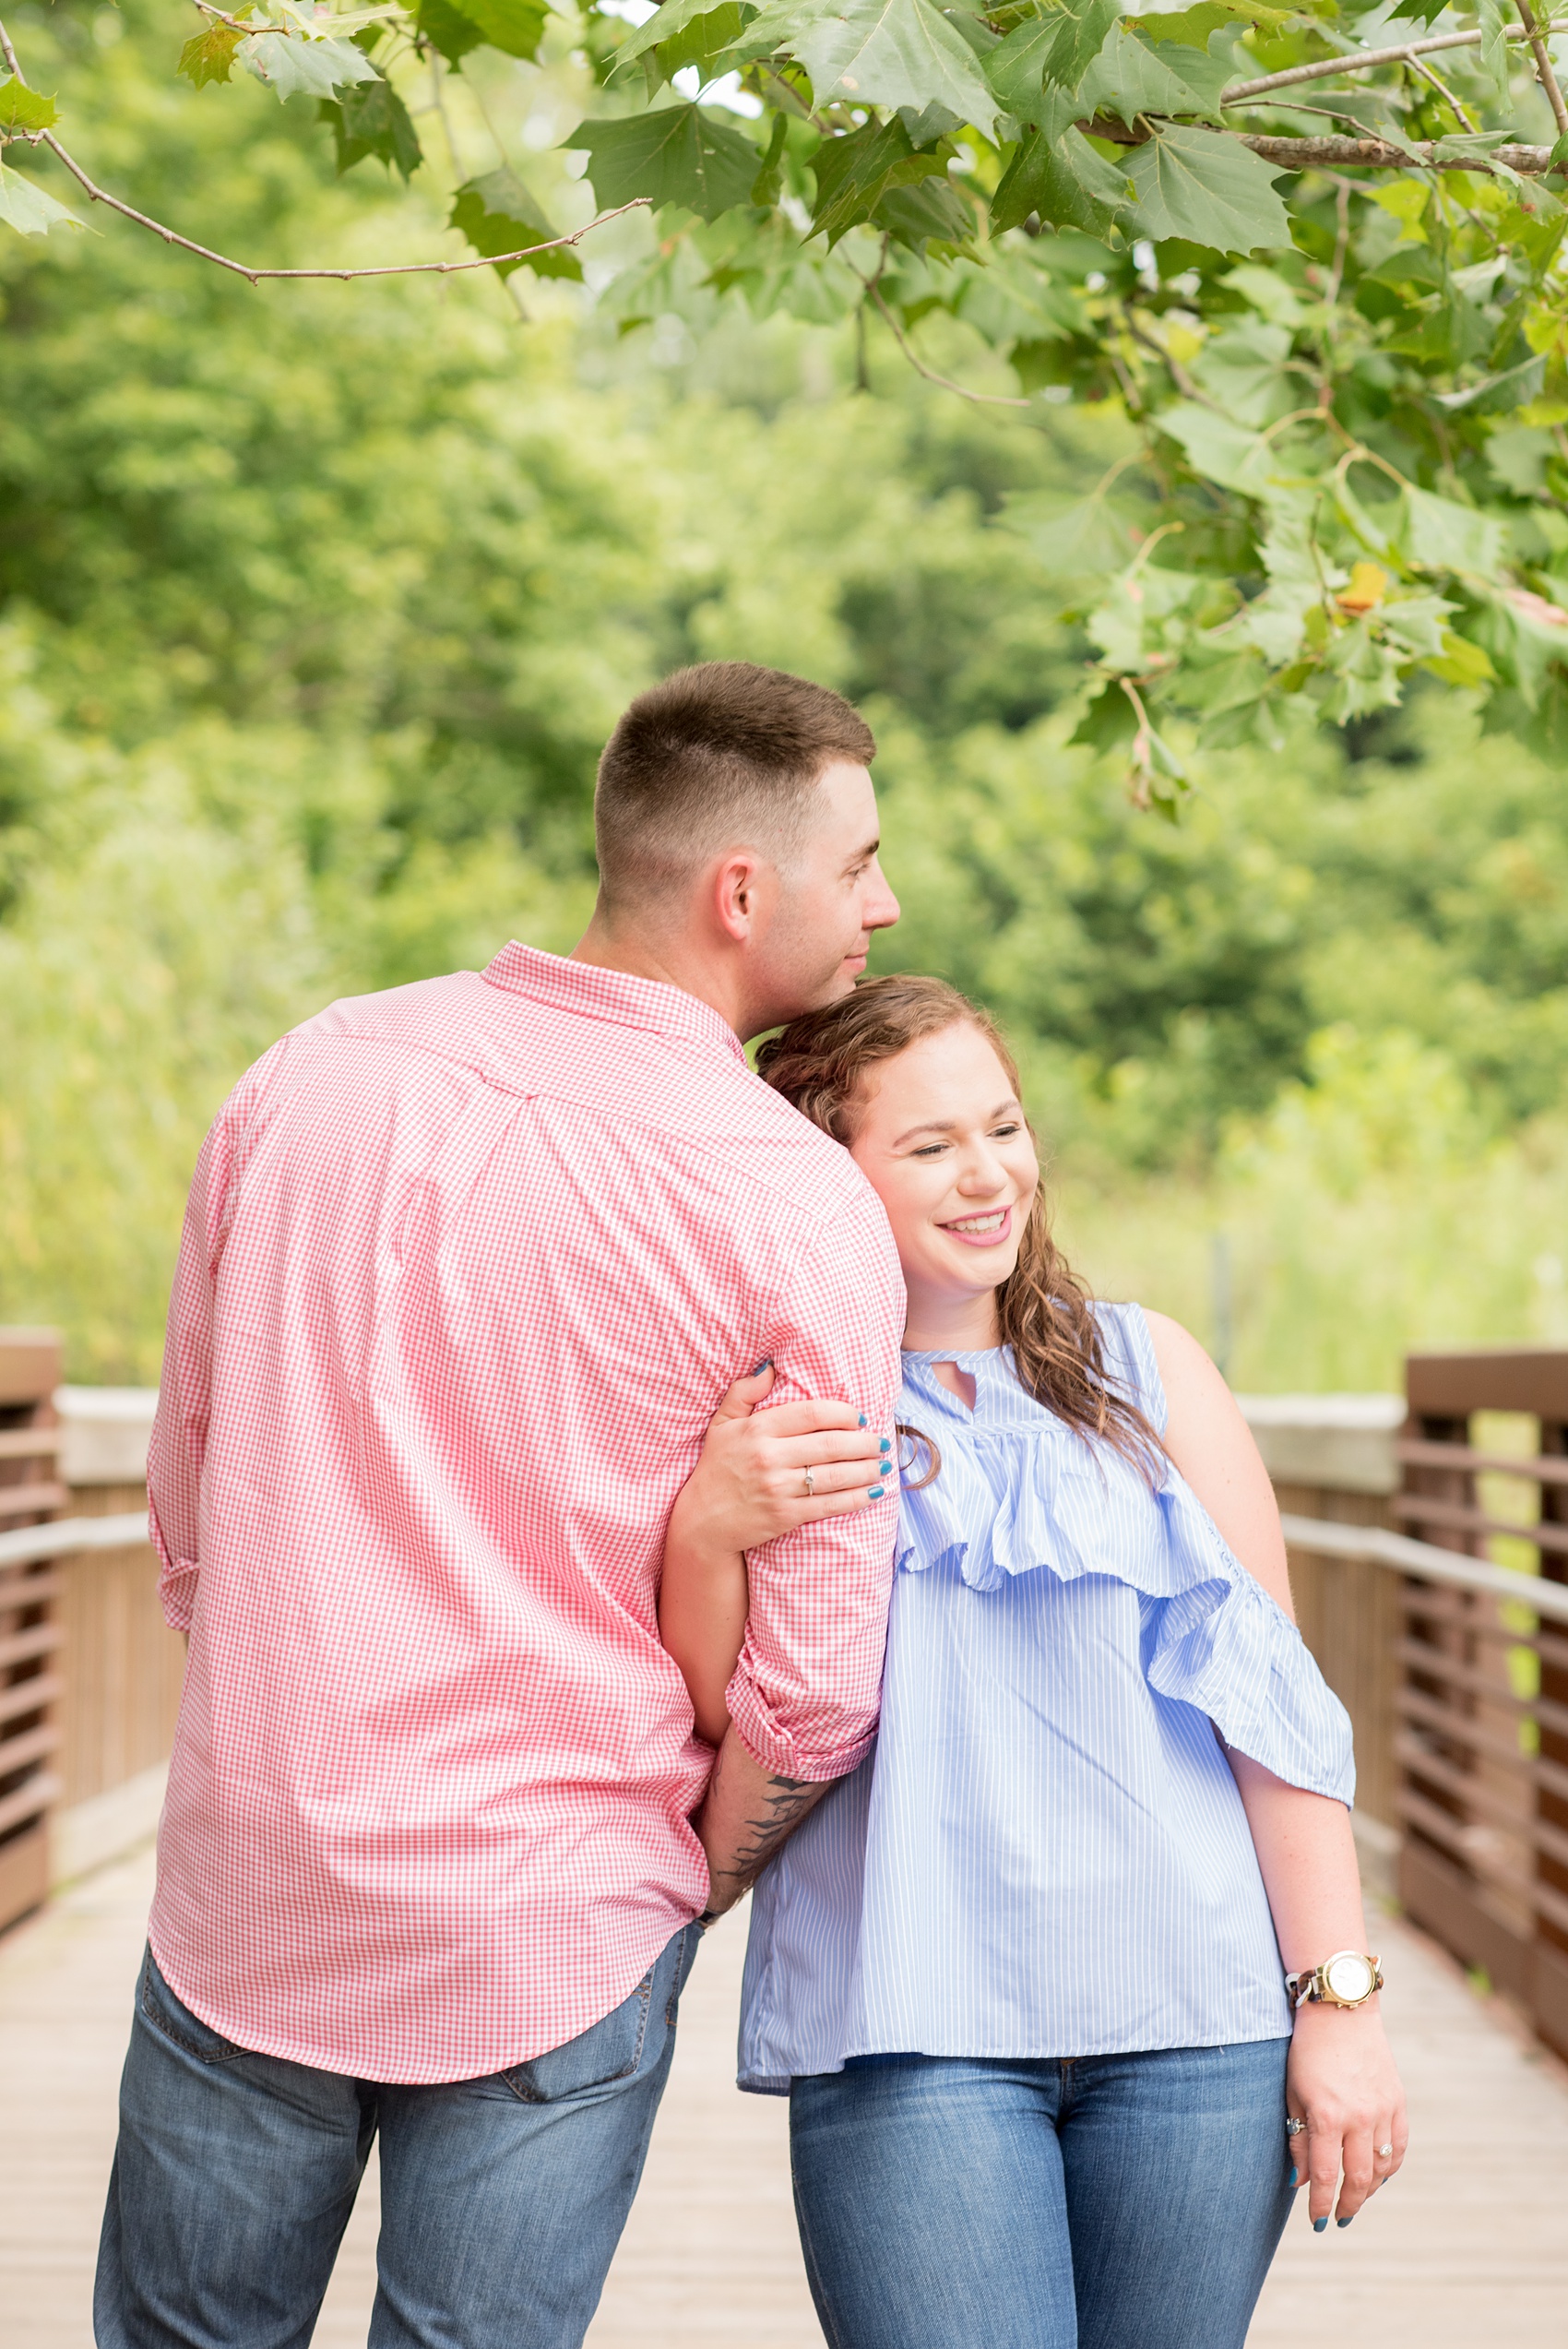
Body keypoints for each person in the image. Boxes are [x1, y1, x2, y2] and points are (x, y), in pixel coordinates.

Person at [95, 662, 905, 2349]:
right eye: (864, 863)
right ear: (740, 889)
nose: (884, 906)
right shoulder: (793, 1200)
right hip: (560, 1912)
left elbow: (188, 1505)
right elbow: (818, 1686)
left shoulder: (312, 1071)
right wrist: (683, 1879)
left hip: (255, 1882)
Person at [659, 972, 1409, 2349]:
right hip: (907, 2026)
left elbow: (1275, 1713)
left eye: (1002, 1127)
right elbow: (720, 1716)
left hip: (1196, 2028)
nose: (987, 1173)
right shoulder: (779, 1417)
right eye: (930, 1144)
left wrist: (1340, 2002)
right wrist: (710, 1528)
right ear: (826, 1175)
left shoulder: (1151, 1371)